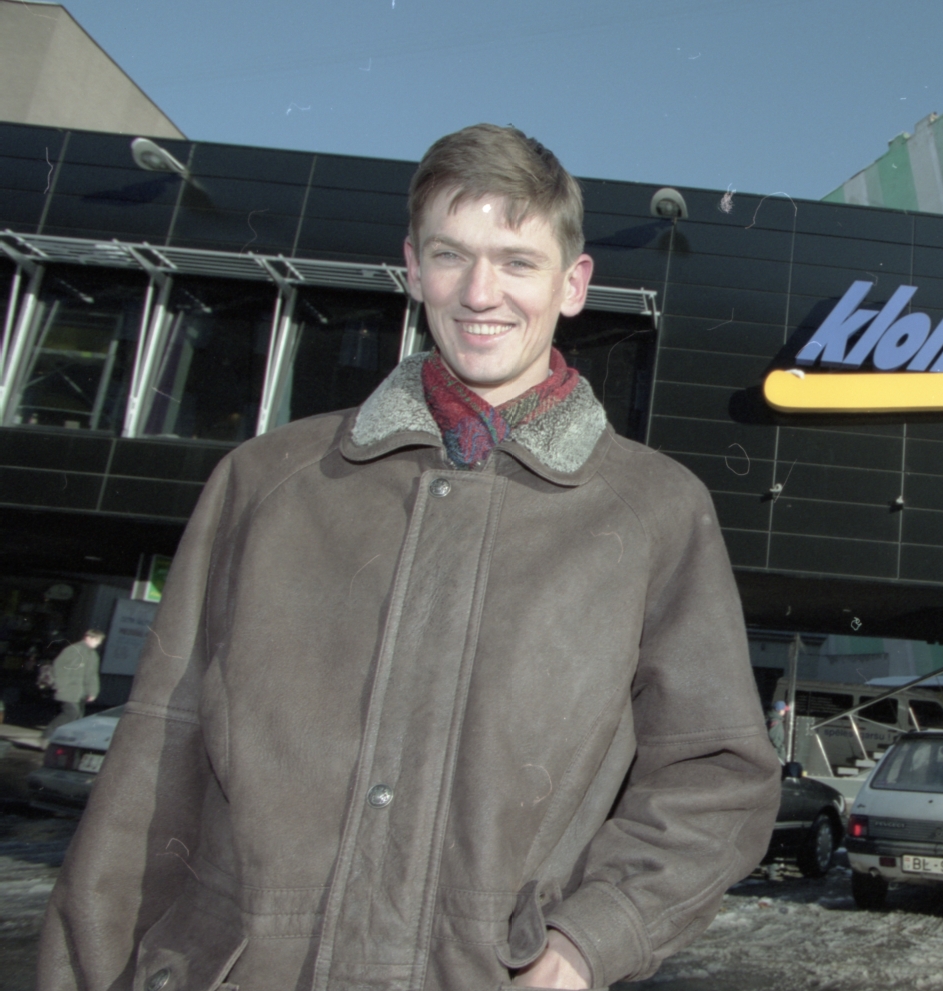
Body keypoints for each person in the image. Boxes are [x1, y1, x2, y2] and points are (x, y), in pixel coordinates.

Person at [38, 124, 780, 991]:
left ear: (572, 284)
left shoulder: (655, 510)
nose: (479, 292)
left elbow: (714, 774)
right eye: (450, 254)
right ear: (413, 267)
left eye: (516, 261)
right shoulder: (265, 482)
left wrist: (590, 941)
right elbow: (152, 767)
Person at [43, 628, 102, 735]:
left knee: (77, 716)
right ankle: (48, 735)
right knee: (72, 713)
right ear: (88, 638)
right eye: (96, 640)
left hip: (81, 692)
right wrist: (61, 686)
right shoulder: (73, 650)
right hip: (68, 689)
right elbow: (59, 667)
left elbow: (92, 675)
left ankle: (63, 737)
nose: (98, 643)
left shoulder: (93, 655)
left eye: (99, 641)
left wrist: (93, 691)